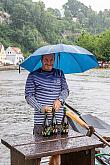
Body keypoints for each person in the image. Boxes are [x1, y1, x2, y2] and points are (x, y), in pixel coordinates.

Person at [25, 53, 69, 165]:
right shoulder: (33, 75)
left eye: (51, 60)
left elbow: (65, 90)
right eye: (46, 59)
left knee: (57, 152)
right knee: (38, 153)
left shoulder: (59, 73)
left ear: (54, 60)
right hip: (41, 121)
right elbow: (28, 96)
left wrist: (60, 100)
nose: (49, 62)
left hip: (58, 120)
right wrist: (41, 108)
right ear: (41, 60)